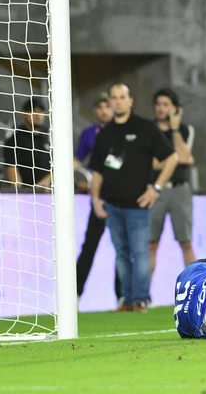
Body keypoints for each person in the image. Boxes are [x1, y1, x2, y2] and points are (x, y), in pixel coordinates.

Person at [89, 83, 178, 313]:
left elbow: (172, 158)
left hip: (139, 204)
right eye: (114, 97)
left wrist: (156, 189)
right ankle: (126, 300)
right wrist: (96, 199)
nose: (118, 101)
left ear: (130, 101)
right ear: (109, 102)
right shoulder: (105, 133)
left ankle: (141, 299)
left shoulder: (145, 128)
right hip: (111, 205)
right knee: (121, 254)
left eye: (122, 97)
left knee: (140, 252)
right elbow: (97, 171)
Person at [74, 93, 121, 302]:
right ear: (95, 111)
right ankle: (74, 293)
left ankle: (125, 296)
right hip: (99, 196)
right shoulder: (89, 134)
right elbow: (77, 160)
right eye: (99, 107)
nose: (104, 110)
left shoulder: (123, 131)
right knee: (90, 245)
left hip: (121, 197)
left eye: (107, 106)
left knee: (124, 247)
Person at [149, 88, 196, 279]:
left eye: (166, 105)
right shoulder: (148, 129)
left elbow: (185, 158)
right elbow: (149, 162)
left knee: (186, 241)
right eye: (158, 104)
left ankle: (195, 289)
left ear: (176, 109)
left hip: (179, 191)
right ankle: (144, 296)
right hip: (154, 191)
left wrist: (175, 129)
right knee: (150, 244)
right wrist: (172, 159)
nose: (161, 109)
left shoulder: (185, 130)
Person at [3, 98, 51, 189]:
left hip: (49, 192)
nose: (37, 116)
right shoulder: (15, 140)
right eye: (34, 112)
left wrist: (49, 179)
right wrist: (21, 194)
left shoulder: (50, 137)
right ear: (24, 114)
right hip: (26, 194)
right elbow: (11, 169)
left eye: (40, 112)